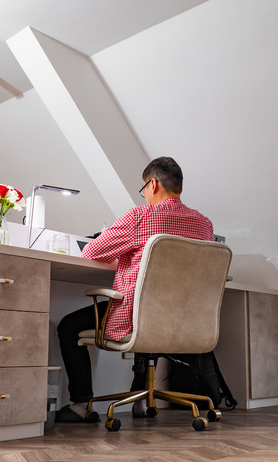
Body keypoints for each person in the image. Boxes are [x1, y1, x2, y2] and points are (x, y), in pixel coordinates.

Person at [55, 156, 213, 423]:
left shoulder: (140, 216)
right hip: (182, 318)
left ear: (153, 184)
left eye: (143, 189)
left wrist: (125, 252)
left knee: (68, 326)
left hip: (142, 314)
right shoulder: (204, 224)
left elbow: (92, 252)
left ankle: (81, 404)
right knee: (149, 313)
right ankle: (140, 399)